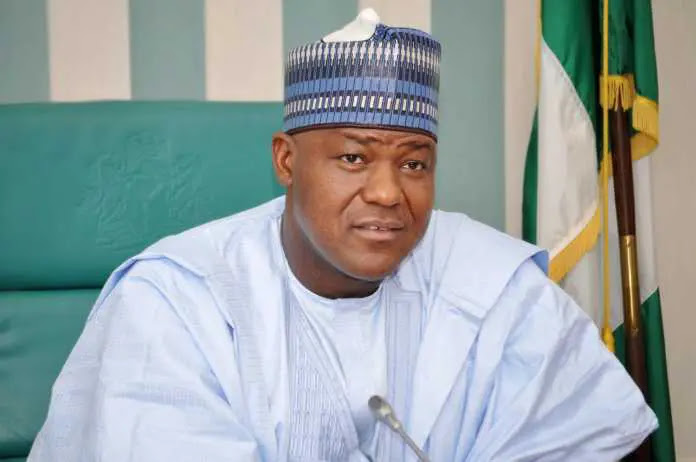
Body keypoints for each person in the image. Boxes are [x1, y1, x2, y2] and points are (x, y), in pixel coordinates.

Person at [28, 9, 657, 462]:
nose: (388, 192)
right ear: (286, 161)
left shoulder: (493, 282)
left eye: (414, 163)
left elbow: (592, 435)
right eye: (353, 158)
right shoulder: (175, 298)